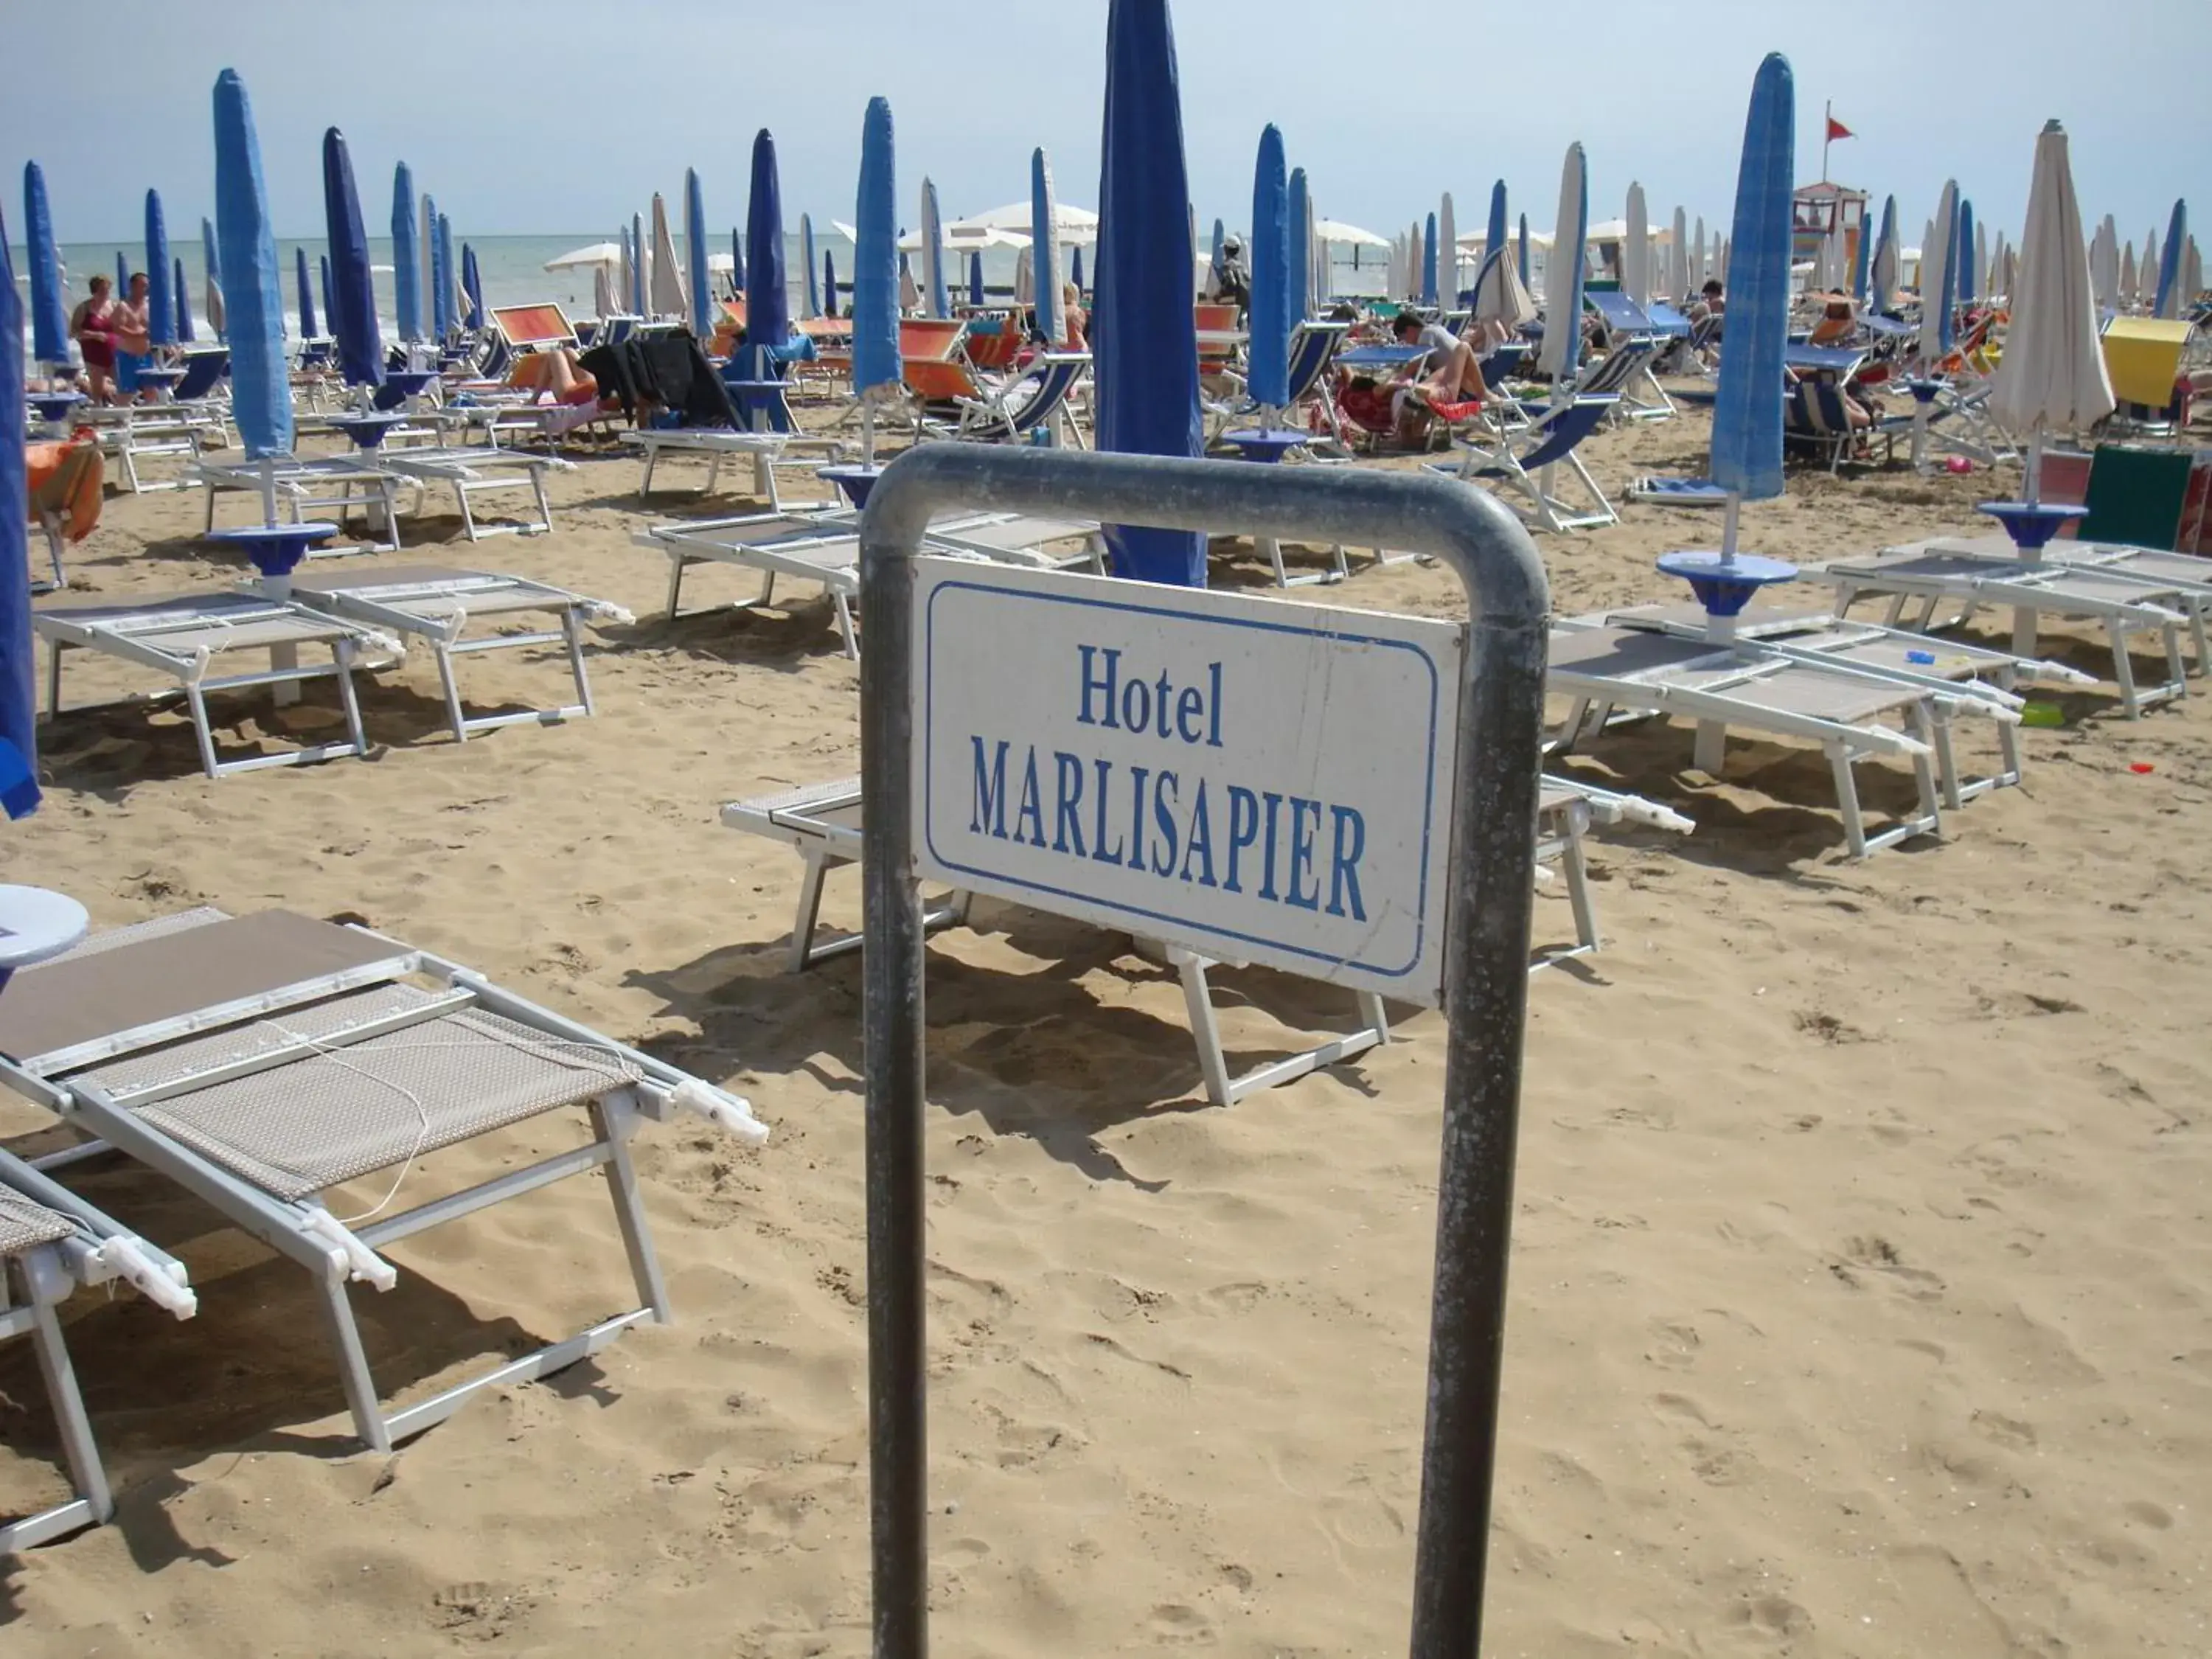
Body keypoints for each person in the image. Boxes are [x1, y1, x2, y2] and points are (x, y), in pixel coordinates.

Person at [1389, 310, 1489, 406]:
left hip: (1465, 383)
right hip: (1474, 375)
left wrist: (1395, 380)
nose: (1407, 343)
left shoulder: (1425, 335)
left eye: (1403, 339)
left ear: (1410, 330)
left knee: (1411, 388)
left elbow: (1412, 368)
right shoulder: (1436, 329)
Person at [68, 274, 119, 403]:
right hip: (94, 355)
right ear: (94, 290)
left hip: (115, 352)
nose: (106, 293)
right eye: (102, 289)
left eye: (107, 289)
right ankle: (98, 417)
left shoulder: (114, 306)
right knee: (97, 390)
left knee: (122, 387)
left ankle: (120, 415)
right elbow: (73, 332)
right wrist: (94, 335)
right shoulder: (84, 308)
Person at [1213, 235, 1251, 314]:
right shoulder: (1241, 265)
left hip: (1236, 302)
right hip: (1246, 301)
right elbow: (1248, 281)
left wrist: (1220, 295)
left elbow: (1233, 283)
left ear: (1226, 249)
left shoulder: (1228, 265)